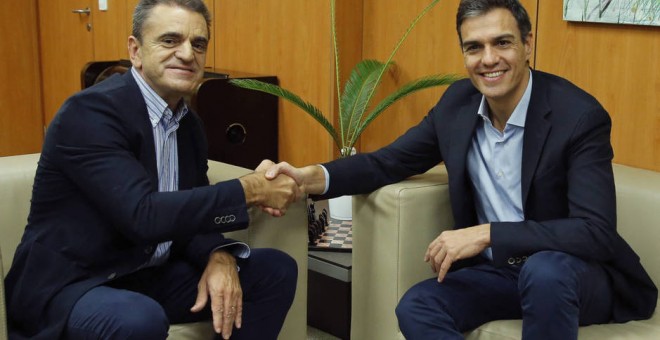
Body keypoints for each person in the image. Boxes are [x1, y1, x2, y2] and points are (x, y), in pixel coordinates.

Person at [260, 0, 657, 338]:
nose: (488, 59)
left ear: (527, 43)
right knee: (418, 305)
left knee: (545, 270)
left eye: (502, 43)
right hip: (501, 275)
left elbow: (596, 232)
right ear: (463, 53)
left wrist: (486, 234)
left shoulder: (578, 117)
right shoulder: (458, 105)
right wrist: (310, 177)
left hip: (574, 276)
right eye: (474, 47)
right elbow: (389, 161)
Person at [4, 1, 301, 339]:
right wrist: (251, 189)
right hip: (73, 283)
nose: (188, 54)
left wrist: (219, 255)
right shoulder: (91, 114)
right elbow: (142, 215)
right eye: (170, 40)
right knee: (138, 319)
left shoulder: (189, 125)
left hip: (145, 274)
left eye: (198, 44)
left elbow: (190, 211)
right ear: (135, 50)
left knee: (274, 271)